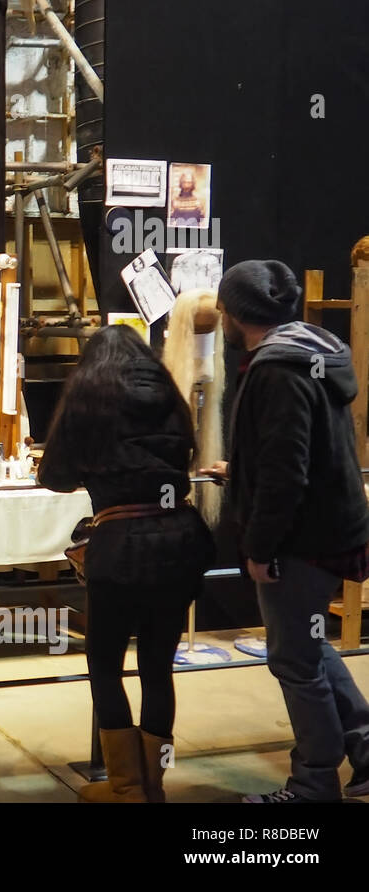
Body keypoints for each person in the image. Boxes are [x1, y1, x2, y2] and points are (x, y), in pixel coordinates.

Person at [206, 260, 369, 803]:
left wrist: (260, 547)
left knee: (294, 662)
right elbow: (300, 451)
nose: (219, 316)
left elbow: (287, 471)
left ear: (237, 313)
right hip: (329, 527)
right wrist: (242, 468)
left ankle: (313, 785)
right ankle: (365, 748)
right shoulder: (312, 351)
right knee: (310, 644)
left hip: (300, 540)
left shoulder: (276, 369)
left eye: (223, 308)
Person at [39, 324, 213, 802]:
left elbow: (53, 476)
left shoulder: (89, 397)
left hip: (119, 545)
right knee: (159, 668)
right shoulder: (169, 394)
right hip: (179, 539)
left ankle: (126, 788)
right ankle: (154, 786)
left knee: (106, 667)